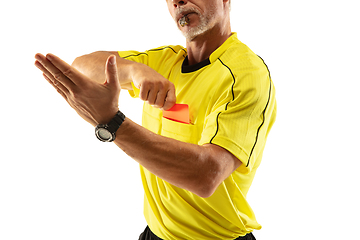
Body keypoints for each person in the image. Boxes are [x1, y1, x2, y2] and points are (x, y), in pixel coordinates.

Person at [34, 0, 276, 239]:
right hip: (154, 233)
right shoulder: (164, 61)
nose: (178, 1)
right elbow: (81, 67)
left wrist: (112, 122)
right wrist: (132, 71)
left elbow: (207, 175)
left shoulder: (246, 75)